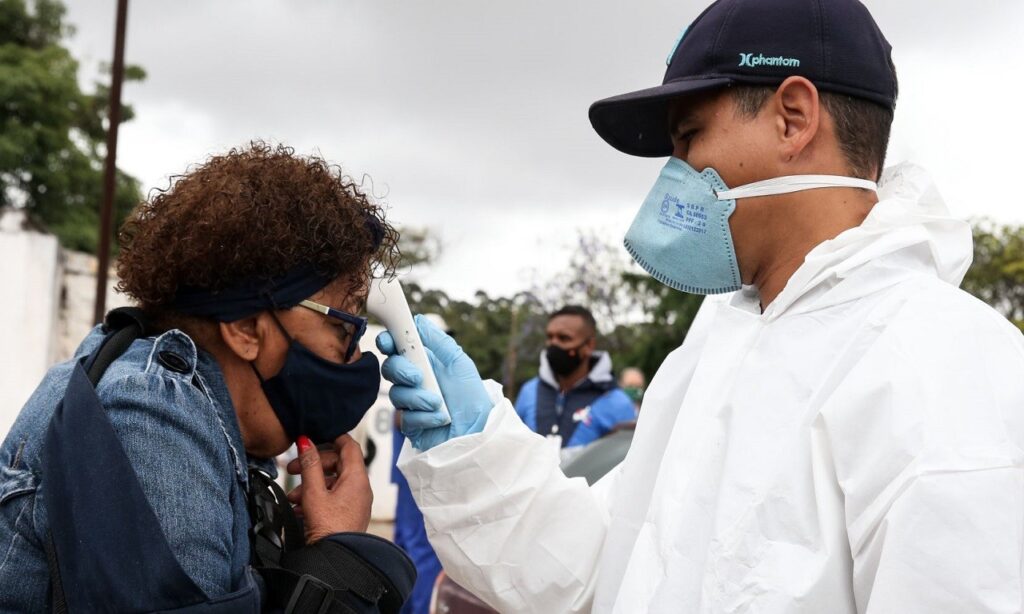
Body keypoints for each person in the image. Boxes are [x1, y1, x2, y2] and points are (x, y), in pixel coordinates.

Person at [377, 0, 1024, 612]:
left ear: (793, 117)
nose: (675, 175)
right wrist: (472, 451)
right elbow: (609, 571)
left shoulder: (947, 373)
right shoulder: (720, 345)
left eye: (689, 139)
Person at [0, 143, 415, 612]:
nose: (354, 353)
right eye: (342, 325)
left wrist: (300, 551)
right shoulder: (150, 416)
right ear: (244, 329)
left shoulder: (193, 409)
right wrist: (340, 557)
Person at [513, 305, 636, 449]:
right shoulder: (529, 392)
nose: (554, 344)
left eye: (564, 338)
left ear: (589, 345)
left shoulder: (617, 403)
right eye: (550, 337)